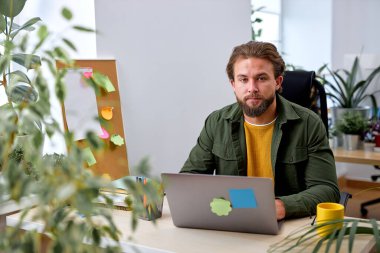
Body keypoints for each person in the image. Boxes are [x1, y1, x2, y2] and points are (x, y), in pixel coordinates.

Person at [180, 41, 340, 220]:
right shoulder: (216, 122)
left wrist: (279, 206)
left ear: (278, 82)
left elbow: (327, 190)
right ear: (233, 84)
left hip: (288, 225)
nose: (252, 88)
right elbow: (189, 179)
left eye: (261, 78)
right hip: (230, 220)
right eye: (243, 79)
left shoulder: (309, 124)